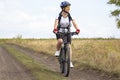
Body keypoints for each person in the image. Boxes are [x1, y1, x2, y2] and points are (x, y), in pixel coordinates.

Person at [53, 1, 80, 68]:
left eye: (69, 7)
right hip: (59, 31)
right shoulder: (59, 15)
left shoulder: (70, 15)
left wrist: (77, 29)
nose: (69, 8)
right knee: (60, 41)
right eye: (67, 7)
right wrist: (55, 29)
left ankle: (69, 62)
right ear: (63, 8)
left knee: (69, 46)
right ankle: (58, 51)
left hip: (67, 32)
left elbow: (74, 22)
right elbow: (56, 23)